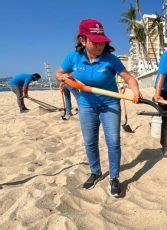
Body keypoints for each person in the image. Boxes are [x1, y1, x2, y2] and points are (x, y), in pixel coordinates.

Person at [56, 18, 142, 197]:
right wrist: (64, 78)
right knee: (90, 142)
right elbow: (59, 73)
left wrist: (136, 91)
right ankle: (95, 172)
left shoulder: (110, 59)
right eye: (95, 42)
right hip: (86, 105)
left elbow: (129, 78)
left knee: (113, 142)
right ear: (83, 40)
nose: (100, 46)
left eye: (102, 41)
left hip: (110, 104)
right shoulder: (73, 57)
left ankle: (114, 178)